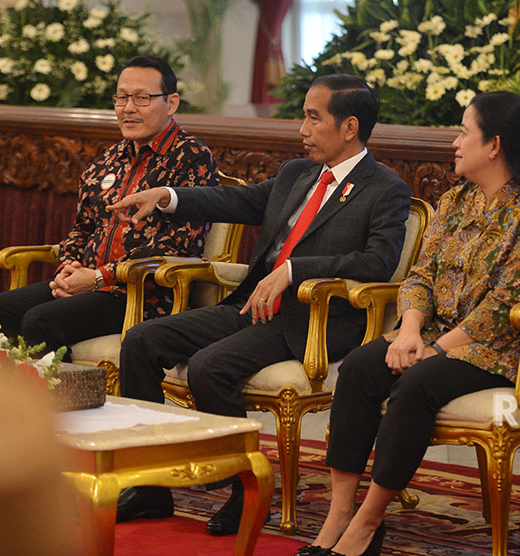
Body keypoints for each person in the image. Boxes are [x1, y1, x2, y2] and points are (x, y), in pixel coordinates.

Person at [107, 73, 411, 536]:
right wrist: (166, 197)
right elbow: (236, 199)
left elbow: (378, 261)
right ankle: (150, 487)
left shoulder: (384, 187)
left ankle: (246, 491)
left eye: (313, 118)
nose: (302, 130)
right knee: (141, 341)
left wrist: (293, 271)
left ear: (350, 127)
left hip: (310, 317)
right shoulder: (297, 173)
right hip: (250, 304)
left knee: (211, 366)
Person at [300, 91, 520, 556]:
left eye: (464, 132)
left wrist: (436, 349)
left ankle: (367, 524)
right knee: (358, 368)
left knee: (417, 383)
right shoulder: (454, 202)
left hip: (514, 346)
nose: (454, 142)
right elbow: (421, 276)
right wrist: (410, 331)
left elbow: (504, 308)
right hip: (438, 333)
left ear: (494, 145)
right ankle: (339, 513)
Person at [0, 55, 218, 359]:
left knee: (40, 321)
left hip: (143, 294)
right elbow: (82, 228)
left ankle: (62, 403)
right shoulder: (109, 159)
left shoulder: (192, 157)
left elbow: (178, 244)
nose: (128, 108)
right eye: (121, 98)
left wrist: (99, 277)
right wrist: (68, 267)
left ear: (171, 103)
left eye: (142, 98)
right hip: (89, 282)